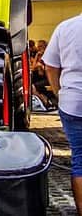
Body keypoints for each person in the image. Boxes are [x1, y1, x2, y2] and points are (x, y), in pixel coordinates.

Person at [43, 15, 82, 214]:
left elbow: (50, 66)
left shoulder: (65, 27)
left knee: (80, 159)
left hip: (73, 103)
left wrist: (59, 92)